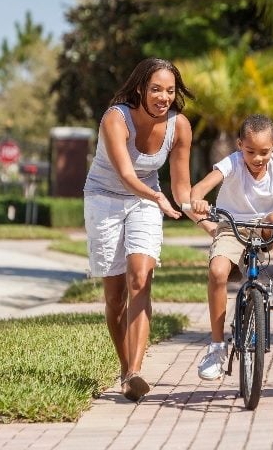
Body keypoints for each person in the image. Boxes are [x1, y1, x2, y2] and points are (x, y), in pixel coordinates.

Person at [83, 57, 202, 401]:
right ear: (140, 89)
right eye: (156, 89)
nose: (163, 97)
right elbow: (126, 175)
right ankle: (124, 367)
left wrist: (202, 219)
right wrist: (159, 197)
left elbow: (181, 190)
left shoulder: (180, 127)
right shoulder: (115, 118)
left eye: (170, 90)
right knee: (115, 296)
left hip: (145, 202)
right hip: (104, 197)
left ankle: (134, 371)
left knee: (140, 279)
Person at [188, 114, 273, 381]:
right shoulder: (232, 163)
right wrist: (198, 201)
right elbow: (201, 187)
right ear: (240, 144)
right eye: (250, 151)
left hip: (267, 226)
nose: (257, 158)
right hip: (232, 226)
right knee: (217, 272)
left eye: (264, 151)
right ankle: (216, 347)